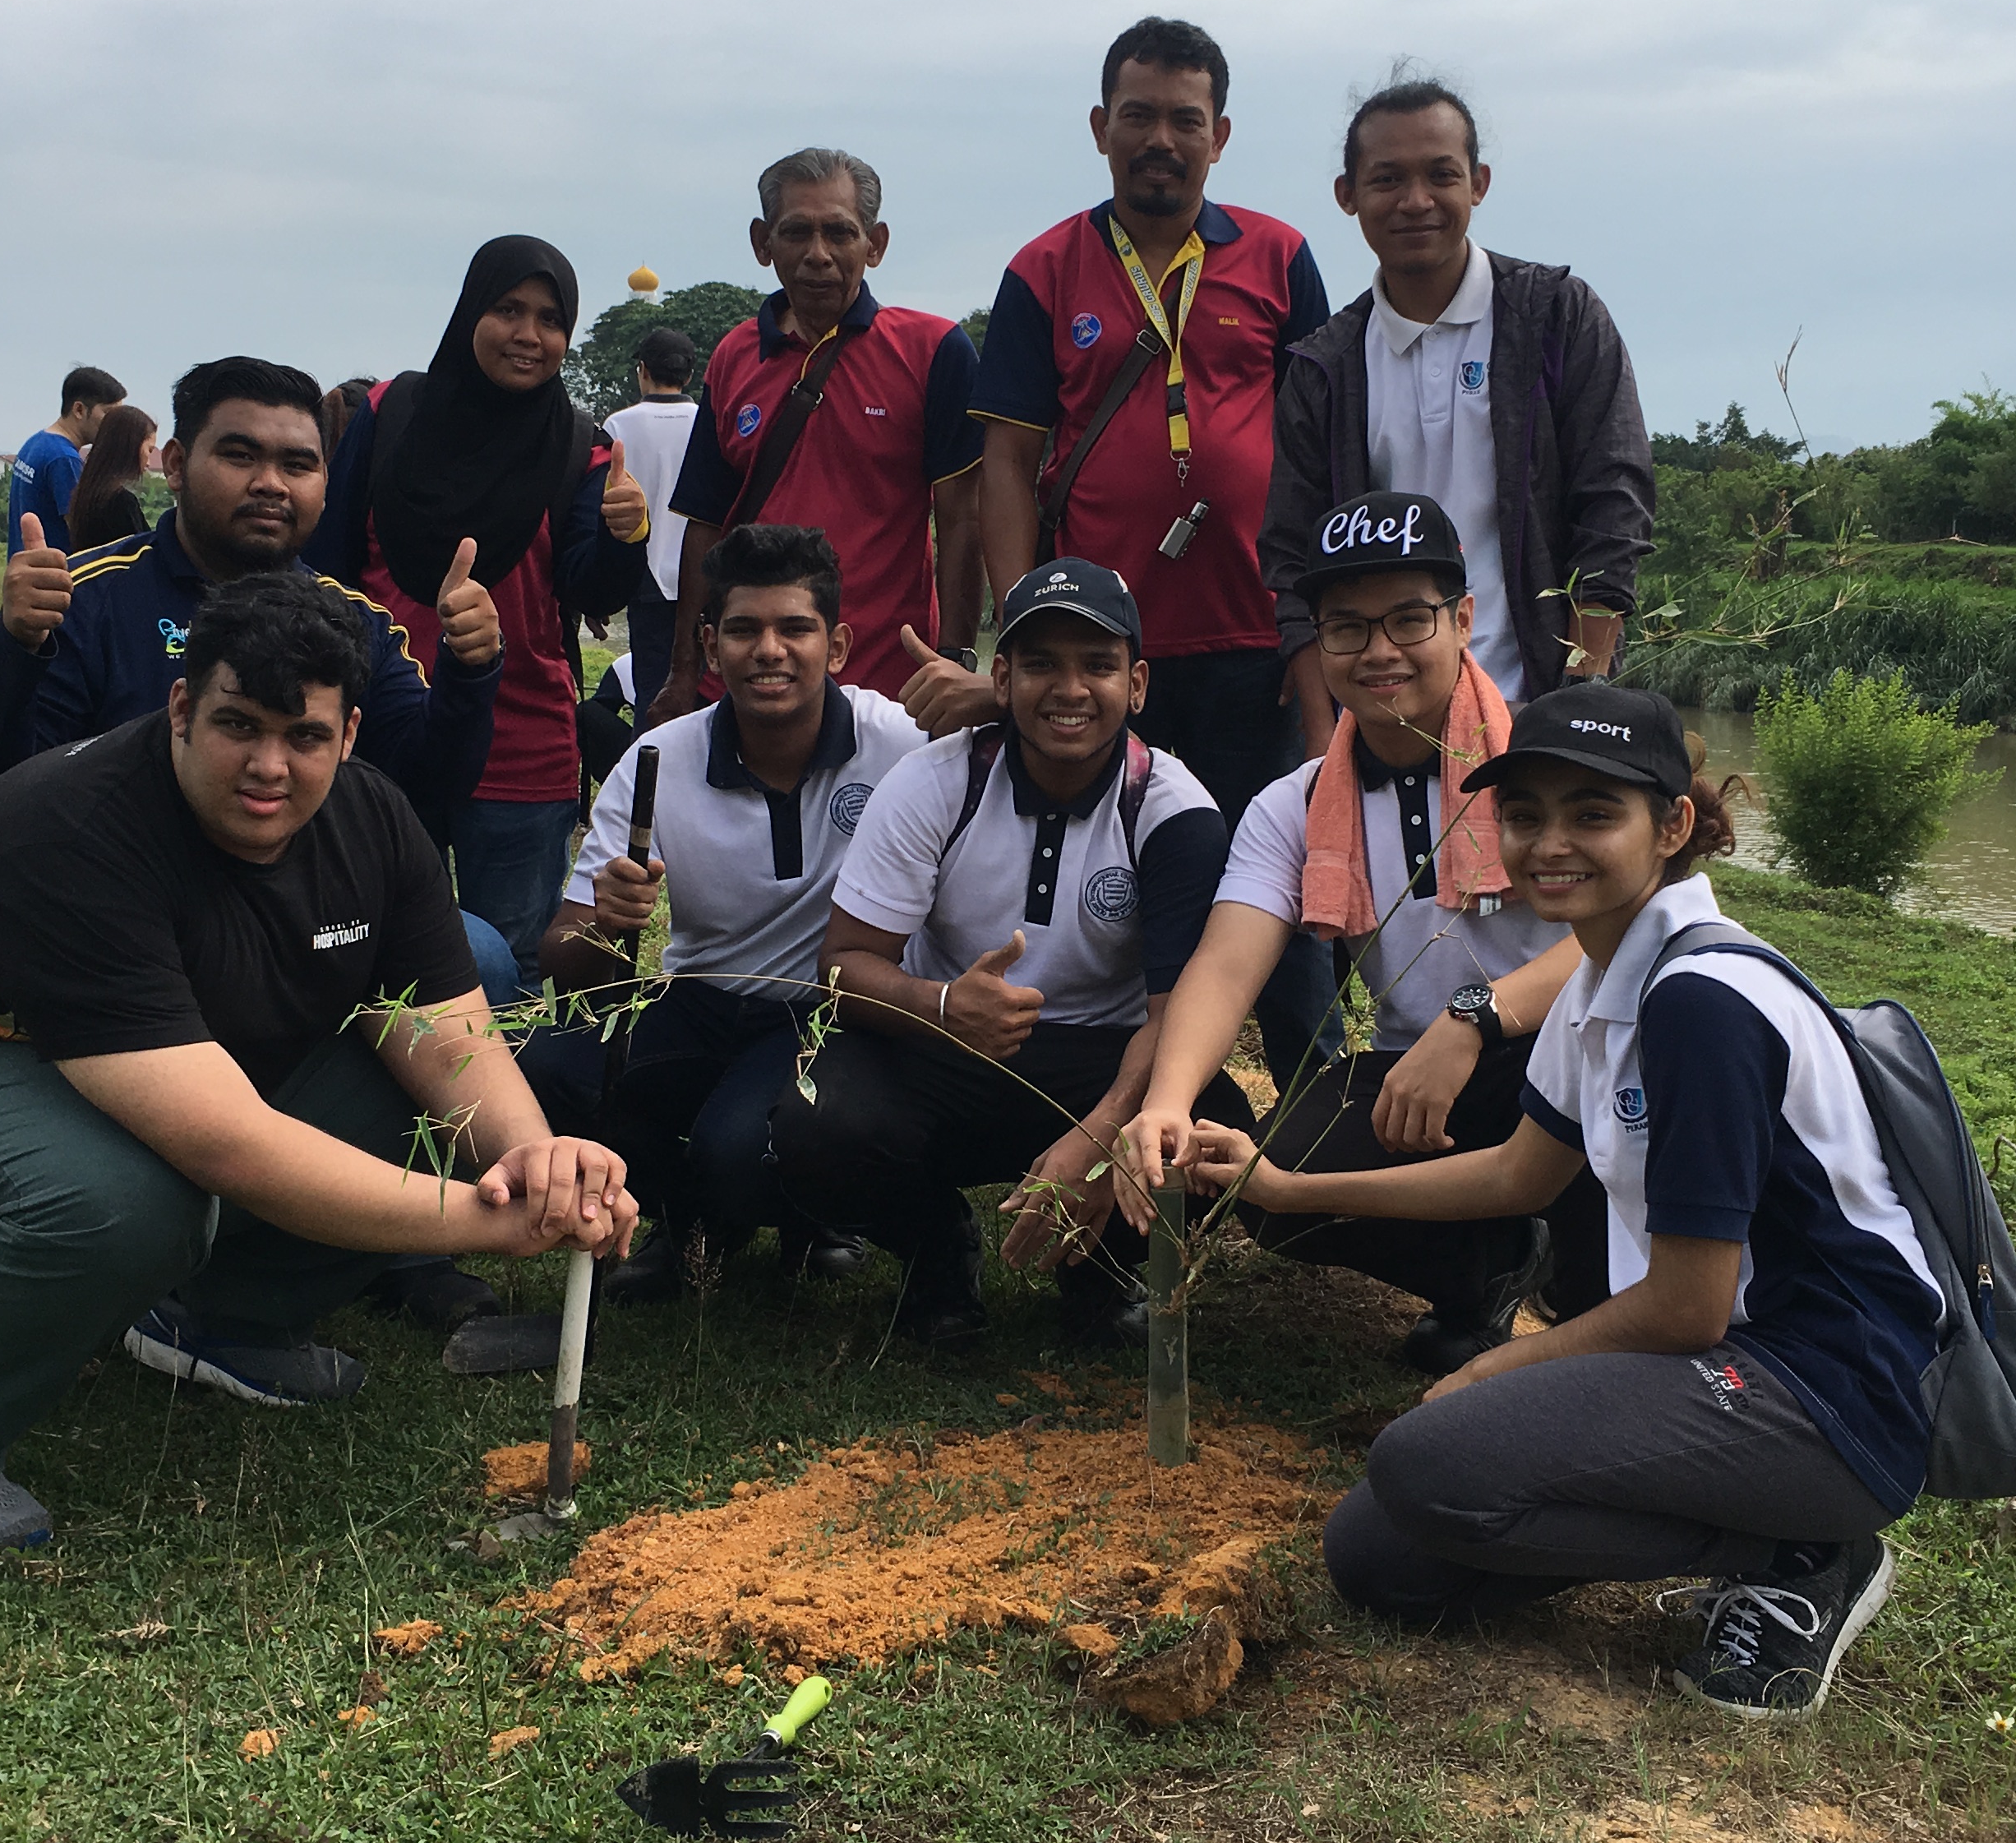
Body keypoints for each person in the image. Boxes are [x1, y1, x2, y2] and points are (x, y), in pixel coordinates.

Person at [0, 569, 635, 1552]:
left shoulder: (373, 820)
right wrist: (485, 1222)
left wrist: (532, 1164)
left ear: (351, 736)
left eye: (306, 737)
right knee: (122, 1197)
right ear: (180, 710)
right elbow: (225, 1146)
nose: (270, 767)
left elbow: (450, 1038)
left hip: (127, 1074)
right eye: (239, 725)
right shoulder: (68, 827)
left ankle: (217, 1324)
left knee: (420, 1095)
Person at [1175, 684, 1937, 1720]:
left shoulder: (1700, 1003)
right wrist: (1287, 1184)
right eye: (1525, 814)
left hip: (1823, 1387)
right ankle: (1747, 1522)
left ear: (1671, 827)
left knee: (1426, 1461)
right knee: (1380, 1560)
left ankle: (1806, 1548)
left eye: (1592, 813)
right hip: (1730, 1360)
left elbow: (1686, 1308)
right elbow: (1520, 1175)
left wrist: (1498, 1368)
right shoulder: (1600, 977)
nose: (1549, 842)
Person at [1115, 492, 1604, 1376]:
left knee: (1602, 1287)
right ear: (1317, 644)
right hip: (1418, 1080)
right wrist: (1165, 1101)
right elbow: (1227, 966)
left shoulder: (1548, 760)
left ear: (1462, 619)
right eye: (1345, 627)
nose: (1378, 651)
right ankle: (1487, 1269)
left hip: (1571, 1048)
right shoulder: (1297, 803)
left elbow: (1635, 930)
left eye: (1408, 619)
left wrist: (1474, 1016)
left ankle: (1592, 1278)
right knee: (1271, 1182)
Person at [957, 16, 1338, 1086]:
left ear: (1220, 133)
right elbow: (1006, 463)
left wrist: (1326, 644)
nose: (1161, 138)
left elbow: (1319, 447)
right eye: (1138, 117)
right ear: (1099, 128)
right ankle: (1111, 1105)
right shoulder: (1045, 270)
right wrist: (1024, 620)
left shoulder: (1279, 256)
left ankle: (1319, 1126)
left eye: (1185, 118)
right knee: (1120, 880)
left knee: (1292, 887)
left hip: (1262, 639)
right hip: (1109, 661)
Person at [0, 360, 510, 995]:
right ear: (173, 464)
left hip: (305, 913)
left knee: (485, 957)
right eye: (240, 455)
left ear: (326, 484)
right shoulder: (82, 603)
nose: (270, 484)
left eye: (298, 465)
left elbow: (430, 783)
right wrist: (15, 646)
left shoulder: (354, 623)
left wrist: (471, 671)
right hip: (117, 912)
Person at [773, 558, 1251, 1348]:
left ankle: (1103, 1270)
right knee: (815, 1121)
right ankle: (935, 1246)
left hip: (1106, 1060)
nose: (1069, 690)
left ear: (1136, 686)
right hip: (951, 1046)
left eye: (1097, 665)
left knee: (1209, 1131)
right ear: (1001, 678)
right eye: (1040, 664)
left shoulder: (1175, 813)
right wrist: (945, 1005)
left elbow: (1179, 1017)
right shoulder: (933, 783)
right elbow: (841, 967)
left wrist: (1099, 1138)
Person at [519, 524, 930, 1300]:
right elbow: (561, 956)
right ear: (710, 647)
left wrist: (987, 701)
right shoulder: (658, 760)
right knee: (545, 1068)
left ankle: (813, 1215)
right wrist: (607, 921)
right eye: (744, 629)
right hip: (702, 1001)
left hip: (828, 1015)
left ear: (838, 646)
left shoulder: (901, 743)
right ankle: (689, 1223)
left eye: (795, 629)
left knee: (736, 1150)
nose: (768, 650)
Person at [1262, 79, 1654, 736]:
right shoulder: (1324, 369)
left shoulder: (1556, 318)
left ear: (1478, 183)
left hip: (1536, 708)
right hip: (1384, 723)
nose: (1416, 201)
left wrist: (1580, 700)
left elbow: (1613, 506)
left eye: (1441, 174)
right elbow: (1294, 561)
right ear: (1347, 196)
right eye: (1387, 179)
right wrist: (1324, 741)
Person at [311, 238, 651, 992]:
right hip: (381, 741)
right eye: (508, 310)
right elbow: (327, 569)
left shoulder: (578, 450)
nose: (529, 335)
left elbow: (593, 588)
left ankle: (509, 1113)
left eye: (550, 319)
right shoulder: (388, 414)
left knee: (516, 968)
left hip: (519, 747)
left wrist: (630, 537)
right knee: (379, 961)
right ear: (471, 311)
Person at [649, 149, 980, 717]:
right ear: (763, 243)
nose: (818, 255)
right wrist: (683, 674)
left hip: (887, 687)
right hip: (755, 682)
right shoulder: (733, 357)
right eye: (796, 232)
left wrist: (954, 658)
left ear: (873, 244)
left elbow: (961, 519)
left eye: (840, 233)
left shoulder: (934, 352)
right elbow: (705, 523)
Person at [602, 327, 703, 715]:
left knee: (652, 693)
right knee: (703, 693)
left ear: (642, 371)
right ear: (689, 375)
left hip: (645, 578)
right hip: (704, 575)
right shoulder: (707, 422)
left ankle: (649, 772)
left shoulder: (619, 427)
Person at [7, 365, 126, 553]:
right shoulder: (64, 460)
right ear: (79, 410)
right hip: (55, 573)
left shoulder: (35, 443)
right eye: (108, 414)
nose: (115, 424)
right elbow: (82, 531)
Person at [62, 402, 158, 551]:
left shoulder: (86, 493)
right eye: (149, 450)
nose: (149, 462)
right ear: (132, 446)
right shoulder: (121, 501)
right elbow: (141, 557)